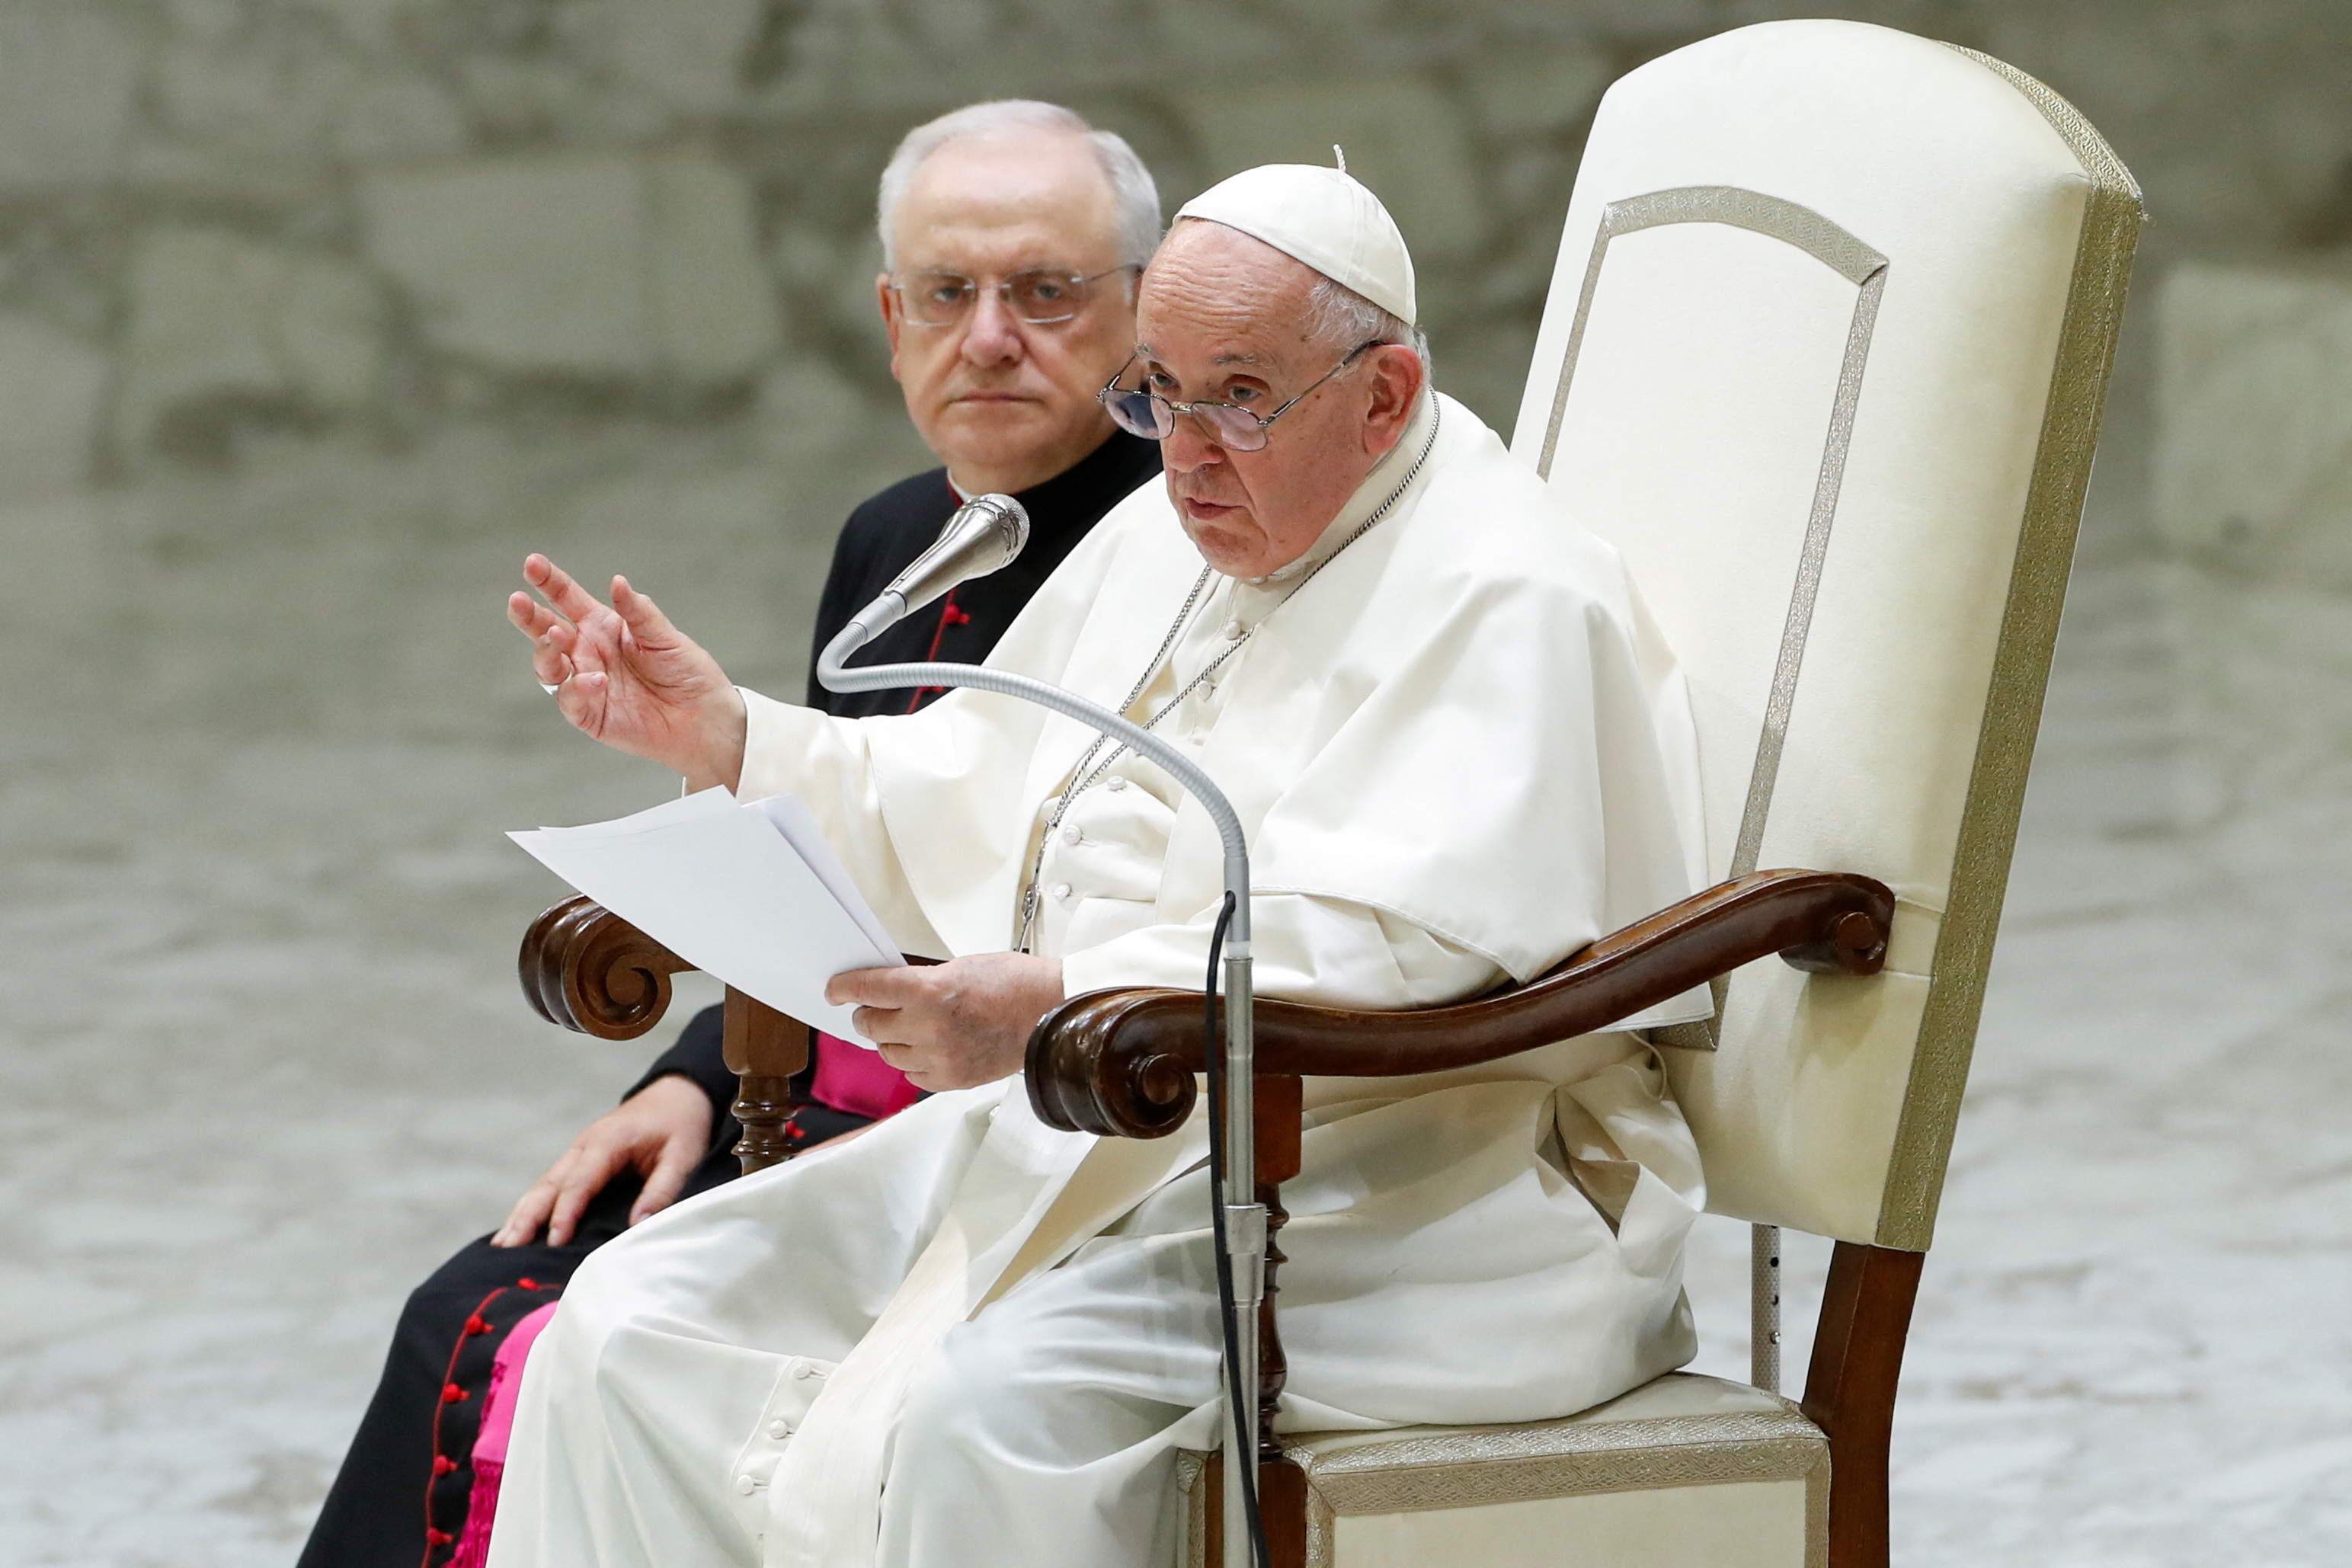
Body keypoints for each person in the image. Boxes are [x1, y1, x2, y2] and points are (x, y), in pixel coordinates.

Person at [489, 162, 1713, 1568]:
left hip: (1410, 1187)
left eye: (1240, 397)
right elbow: (976, 780)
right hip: (1109, 1125)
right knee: (627, 1315)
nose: (1184, 454)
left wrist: (1065, 1002)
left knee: (982, 1414)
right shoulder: (1173, 532)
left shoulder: (1507, 592)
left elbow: (1400, 944)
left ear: (1384, 397)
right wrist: (731, 733)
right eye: (1158, 393)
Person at [296, 100, 1165, 1568]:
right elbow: (829, 871)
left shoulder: (1182, 547)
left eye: (1046, 291)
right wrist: (693, 1074)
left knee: (564, 1334)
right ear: (890, 322)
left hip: (1030, 1118)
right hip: (813, 1076)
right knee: (467, 1307)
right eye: (946, 293)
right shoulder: (895, 534)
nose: (990, 337)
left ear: (1140, 316)